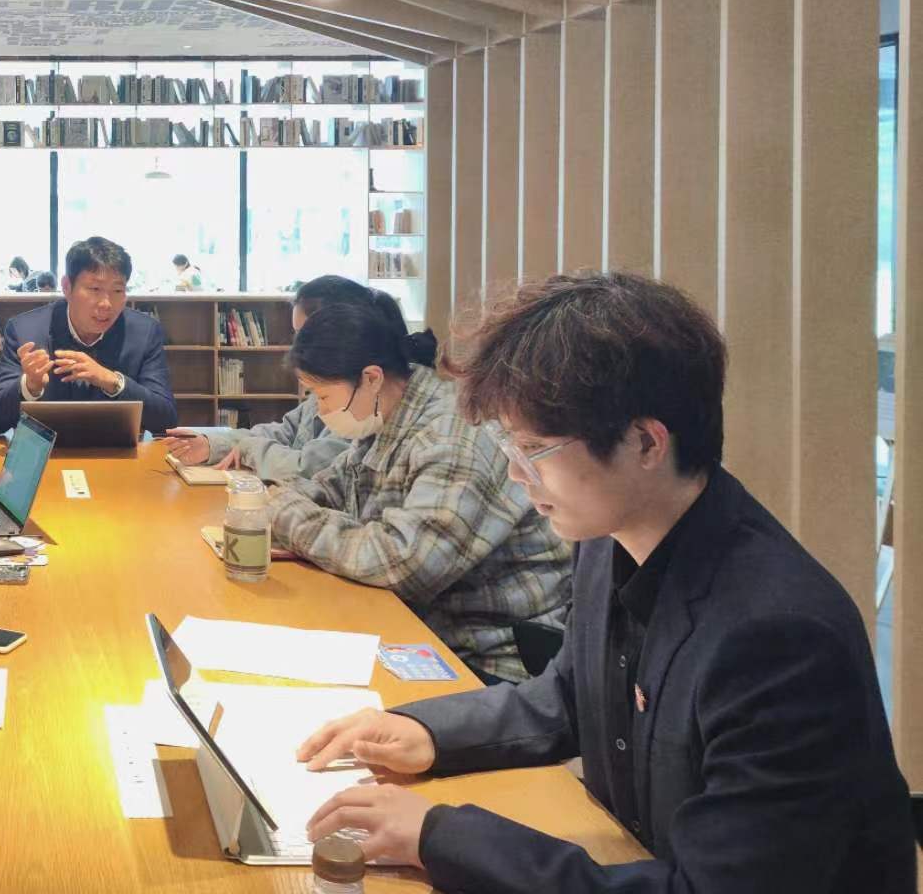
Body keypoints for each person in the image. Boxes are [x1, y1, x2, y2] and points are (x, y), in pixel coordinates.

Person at [295, 273, 916, 894]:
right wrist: (428, 732)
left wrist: (441, 836)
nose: (515, 474)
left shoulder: (777, 636)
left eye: (534, 449)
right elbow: (569, 695)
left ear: (645, 442)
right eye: (510, 444)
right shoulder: (608, 537)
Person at [268, 297, 570, 682]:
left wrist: (286, 516)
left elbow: (406, 564)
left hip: (490, 658)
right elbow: (331, 488)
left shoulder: (452, 437)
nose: (320, 411)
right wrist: (278, 503)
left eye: (323, 396)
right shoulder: (389, 416)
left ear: (371, 378)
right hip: (426, 630)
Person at [162, 274, 370, 482]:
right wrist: (212, 445)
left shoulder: (360, 400)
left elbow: (309, 470)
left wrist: (249, 449)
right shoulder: (328, 388)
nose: (297, 347)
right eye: (296, 335)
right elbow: (284, 432)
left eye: (305, 335)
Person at [0, 235, 176, 435]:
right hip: (46, 452)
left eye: (117, 290)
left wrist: (113, 381)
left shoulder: (144, 332)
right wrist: (28, 386)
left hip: (117, 451)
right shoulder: (25, 331)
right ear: (67, 287)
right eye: (95, 289)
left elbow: (166, 420)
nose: (106, 303)